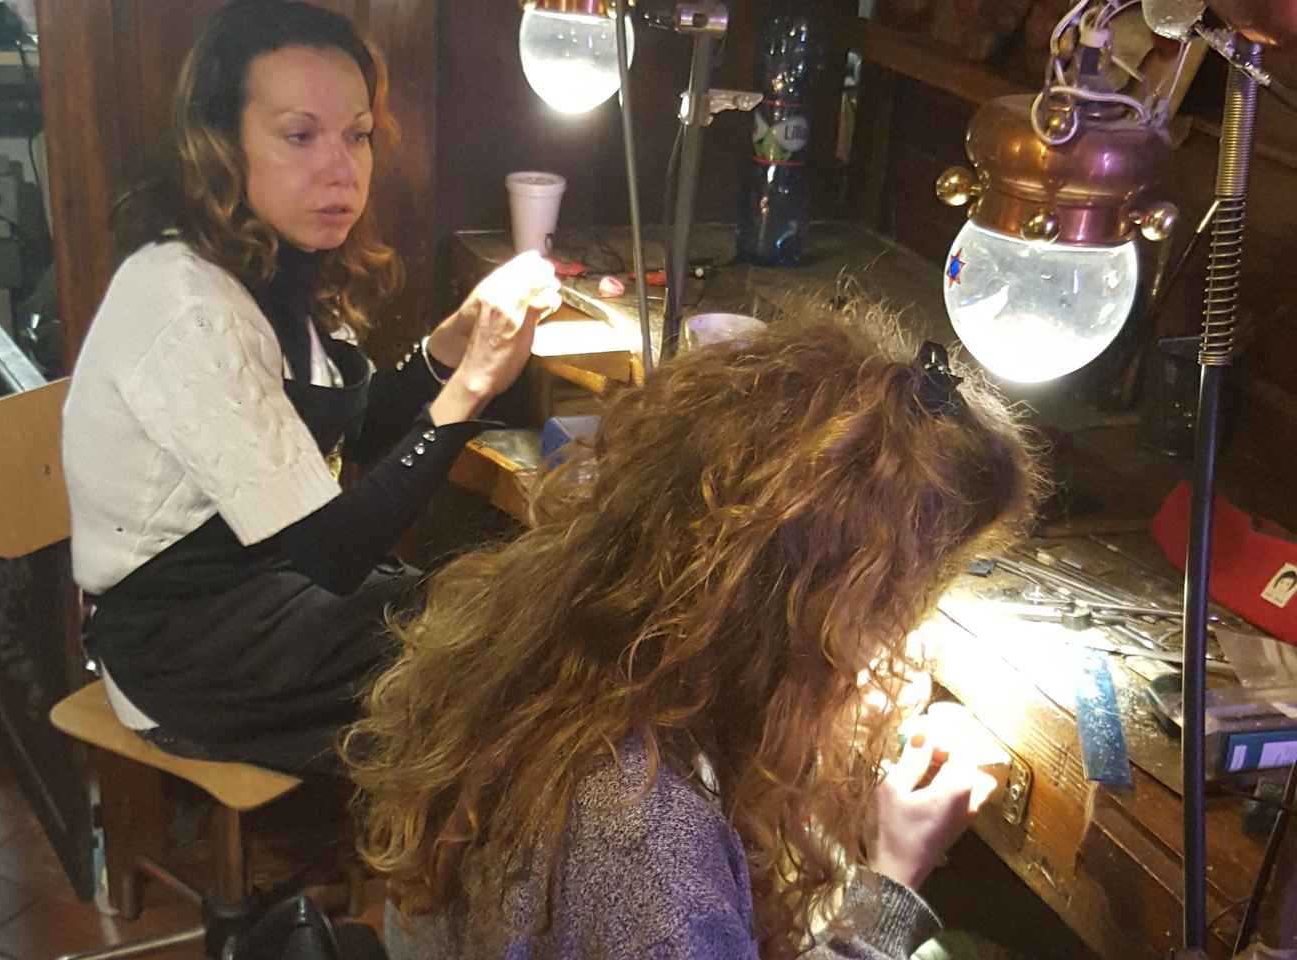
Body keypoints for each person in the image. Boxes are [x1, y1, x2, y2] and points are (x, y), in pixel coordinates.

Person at [344, 306, 1048, 959]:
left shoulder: (561, 639)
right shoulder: (646, 839)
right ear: (807, 615)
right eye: (901, 603)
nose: (899, 640)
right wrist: (891, 880)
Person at [61, 0, 560, 775]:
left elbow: (358, 431)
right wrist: (472, 388)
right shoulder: (189, 302)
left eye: (356, 136)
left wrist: (450, 345)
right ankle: (449, 851)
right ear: (222, 146)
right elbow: (330, 553)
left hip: (271, 588)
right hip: (187, 646)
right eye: (300, 136)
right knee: (502, 679)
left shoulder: (276, 259)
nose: (341, 169)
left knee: (520, 627)